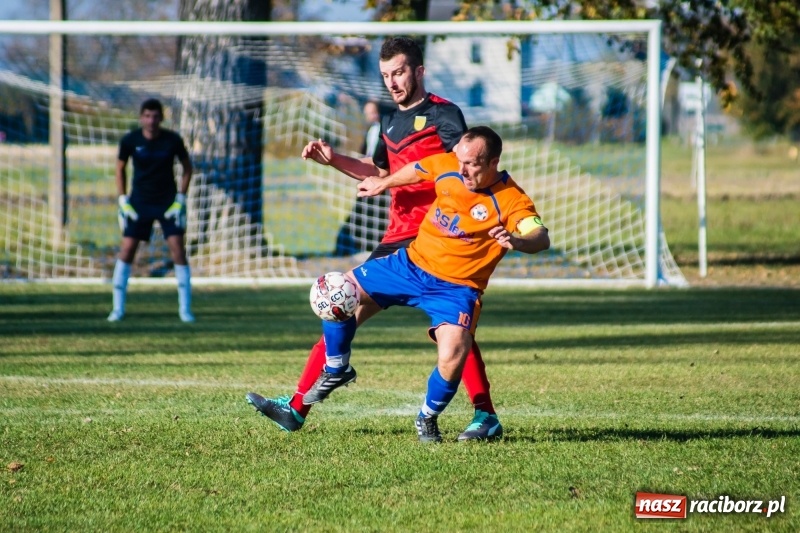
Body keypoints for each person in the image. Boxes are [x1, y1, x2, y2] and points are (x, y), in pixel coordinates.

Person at [246, 37, 502, 441]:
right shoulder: (387, 122)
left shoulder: (444, 115)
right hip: (396, 238)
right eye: (386, 75)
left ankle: (484, 414)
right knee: (338, 307)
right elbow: (377, 170)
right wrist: (334, 160)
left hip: (436, 240)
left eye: (399, 72)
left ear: (418, 71)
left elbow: (463, 166)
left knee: (455, 334)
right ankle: (297, 408)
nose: (393, 82)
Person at [306, 126, 550, 442]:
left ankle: (427, 417)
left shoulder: (512, 200)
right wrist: (384, 182)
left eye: (472, 164)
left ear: (493, 163)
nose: (461, 169)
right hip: (410, 265)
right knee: (337, 289)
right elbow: (419, 170)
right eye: (459, 161)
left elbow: (540, 237)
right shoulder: (450, 164)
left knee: (453, 353)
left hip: (457, 287)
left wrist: (517, 241)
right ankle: (337, 366)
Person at [108, 98, 195, 323]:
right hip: (139, 202)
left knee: (178, 250)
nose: (151, 120)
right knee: (127, 249)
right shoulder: (130, 140)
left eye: (155, 116)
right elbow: (120, 168)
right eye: (147, 116)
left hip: (167, 202)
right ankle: (117, 309)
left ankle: (185, 310)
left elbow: (187, 168)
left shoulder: (172, 140)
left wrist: (181, 199)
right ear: (141, 117)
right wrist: (122, 199)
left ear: (161, 118)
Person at [333, 100, 390, 256]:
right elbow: (366, 152)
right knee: (361, 209)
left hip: (381, 177)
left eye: (372, 112)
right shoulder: (371, 130)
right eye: (367, 113)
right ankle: (351, 244)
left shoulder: (388, 129)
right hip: (368, 176)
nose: (369, 116)